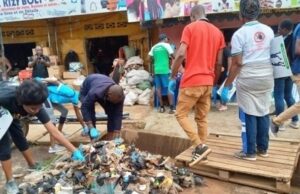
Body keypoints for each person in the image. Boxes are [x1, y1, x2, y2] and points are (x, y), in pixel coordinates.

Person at [0, 80, 84, 193]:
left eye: (39, 107)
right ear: (21, 103)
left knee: (20, 137)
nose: (37, 111)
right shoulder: (5, 97)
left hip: (12, 113)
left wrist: (74, 150)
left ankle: (32, 164)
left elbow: (54, 131)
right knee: (4, 147)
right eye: (33, 109)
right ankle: (10, 181)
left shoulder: (35, 102)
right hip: (1, 111)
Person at [171, 5, 225, 166]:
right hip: (208, 81)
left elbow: (180, 53)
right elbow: (219, 62)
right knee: (201, 118)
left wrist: (173, 73)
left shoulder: (190, 28)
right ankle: (202, 151)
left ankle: (199, 146)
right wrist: (213, 81)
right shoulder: (218, 32)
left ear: (192, 16)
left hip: (192, 81)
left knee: (181, 115)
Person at [221, 0, 274, 161]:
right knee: (264, 111)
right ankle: (263, 149)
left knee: (250, 113)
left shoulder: (239, 34)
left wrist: (227, 84)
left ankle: (250, 152)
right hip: (267, 76)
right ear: (258, 13)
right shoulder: (269, 31)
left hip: (248, 77)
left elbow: (237, 63)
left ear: (241, 15)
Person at [36, 77, 88, 153]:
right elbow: (56, 81)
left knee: (64, 111)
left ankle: (59, 132)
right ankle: (53, 147)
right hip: (46, 96)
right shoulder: (71, 92)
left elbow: (78, 114)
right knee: (52, 121)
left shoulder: (76, 99)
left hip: (53, 99)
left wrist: (84, 127)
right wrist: (42, 80)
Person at [271, 22, 300, 134]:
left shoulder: (281, 40)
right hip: (291, 70)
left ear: (286, 29)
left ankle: (280, 123)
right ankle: (295, 120)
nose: (278, 31)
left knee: (279, 96)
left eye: (280, 28)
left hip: (281, 70)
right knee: (289, 96)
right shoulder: (293, 37)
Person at [80, 74, 125, 141]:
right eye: (112, 101)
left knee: (112, 112)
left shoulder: (119, 96)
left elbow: (118, 113)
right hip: (88, 86)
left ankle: (110, 139)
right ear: (107, 96)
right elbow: (84, 107)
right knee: (90, 112)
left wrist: (117, 131)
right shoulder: (94, 92)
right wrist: (91, 126)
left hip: (102, 84)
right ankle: (93, 140)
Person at [149, 33, 175, 114]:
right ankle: (171, 108)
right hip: (165, 70)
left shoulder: (154, 47)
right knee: (169, 88)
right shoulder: (166, 45)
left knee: (158, 88)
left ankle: (161, 107)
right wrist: (172, 58)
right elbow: (173, 56)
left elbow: (149, 59)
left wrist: (156, 61)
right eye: (167, 39)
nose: (167, 40)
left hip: (157, 70)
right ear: (165, 39)